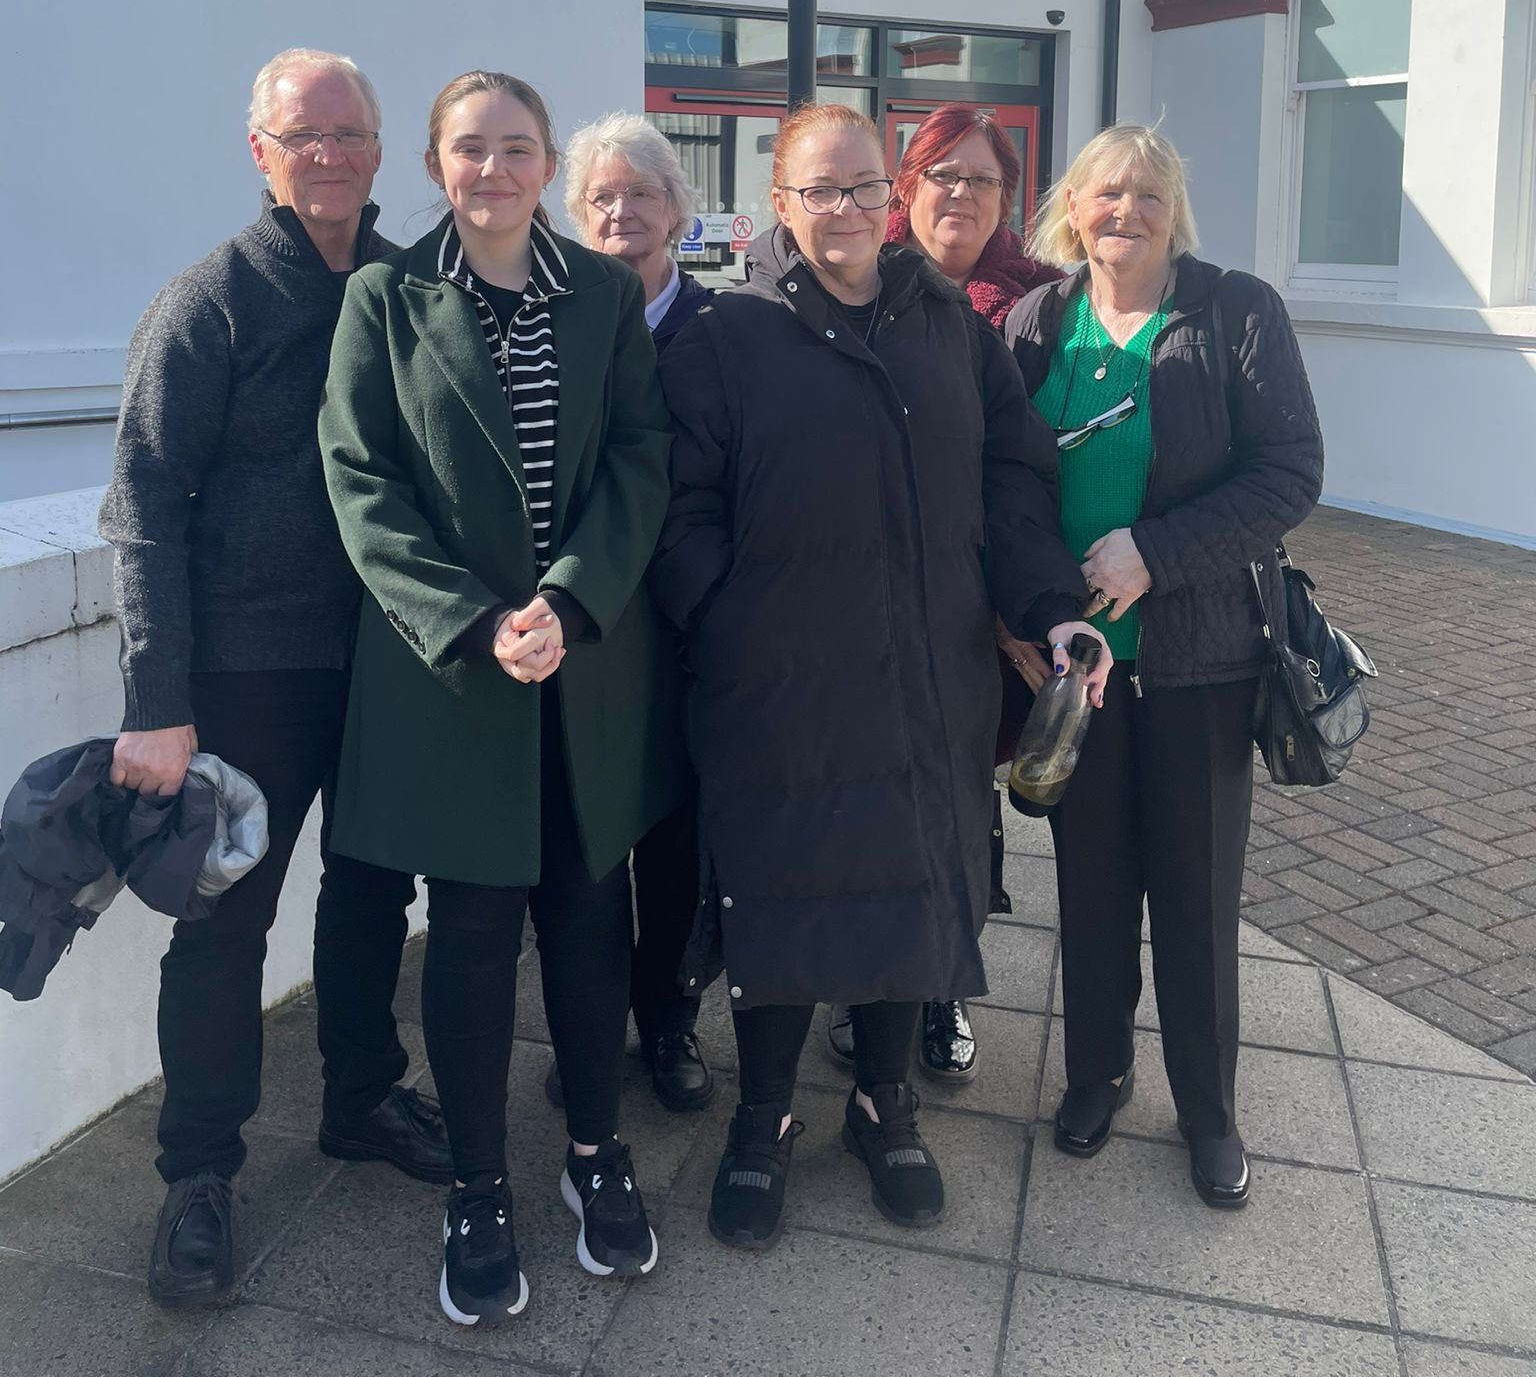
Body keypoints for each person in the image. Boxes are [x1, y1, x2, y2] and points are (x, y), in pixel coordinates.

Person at [653, 104, 1109, 1251]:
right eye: (823, 191)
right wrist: (731, 618)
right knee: (786, 890)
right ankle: (764, 1119)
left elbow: (1012, 481)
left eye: (865, 189)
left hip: (928, 668)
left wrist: (1054, 612)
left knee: (911, 881)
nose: (847, 211)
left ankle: (882, 1101)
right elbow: (681, 509)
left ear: (888, 198)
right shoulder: (728, 336)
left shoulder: (946, 322)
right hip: (781, 682)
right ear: (780, 201)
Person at [319, 71, 688, 1324]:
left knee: (591, 920)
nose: (493, 170)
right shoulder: (384, 297)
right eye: (469, 149)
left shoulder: (600, 295)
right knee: (474, 936)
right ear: (434, 164)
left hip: (583, 667)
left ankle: (595, 1152)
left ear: (545, 168)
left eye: (517, 149)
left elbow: (644, 456)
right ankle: (477, 1187)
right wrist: (476, 623)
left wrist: (572, 601)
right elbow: (360, 482)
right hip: (456, 678)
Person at [98, 48, 450, 1311]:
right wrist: (156, 697)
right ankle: (198, 1177)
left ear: (380, 146)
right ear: (262, 152)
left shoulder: (413, 288)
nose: (334, 154)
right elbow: (141, 502)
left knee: (368, 896)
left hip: (390, 665)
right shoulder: (213, 300)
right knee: (221, 923)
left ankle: (358, 1098)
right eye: (307, 136)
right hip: (245, 675)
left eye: (352, 132)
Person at [1004, 124, 1324, 1209]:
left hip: (1201, 663)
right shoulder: (1036, 321)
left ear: (1172, 207)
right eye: (1105, 195)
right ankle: (1098, 1072)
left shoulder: (1235, 312)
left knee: (1195, 895)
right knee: (1092, 889)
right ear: (1073, 209)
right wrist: (1056, 611)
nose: (1123, 213)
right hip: (1080, 670)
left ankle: (1209, 1110)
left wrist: (1156, 553)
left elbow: (1289, 472)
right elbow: (1006, 487)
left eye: (1145, 194)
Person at [828, 103, 1066, 1082]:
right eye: (942, 173)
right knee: (865, 802)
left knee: (965, 811)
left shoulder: (1039, 307)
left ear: (1007, 199)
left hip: (986, 611)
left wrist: (1030, 606)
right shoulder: (854, 287)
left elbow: (1033, 471)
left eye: (982, 178)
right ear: (906, 185)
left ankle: (942, 990)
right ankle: (857, 987)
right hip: (868, 603)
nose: (960, 192)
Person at [544, 111, 713, 1112]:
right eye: (601, 197)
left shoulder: (727, 329)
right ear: (576, 214)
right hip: (593, 636)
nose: (621, 213)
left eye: (641, 193)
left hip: (690, 633)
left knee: (680, 851)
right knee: (590, 861)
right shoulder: (558, 325)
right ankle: (588, 1035)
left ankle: (671, 1023)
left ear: (676, 210)